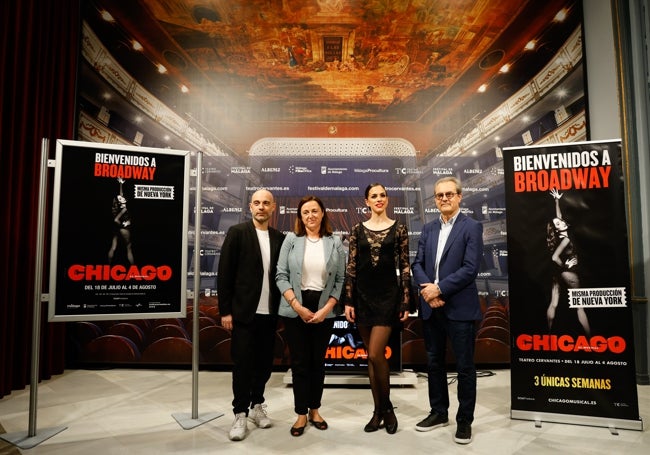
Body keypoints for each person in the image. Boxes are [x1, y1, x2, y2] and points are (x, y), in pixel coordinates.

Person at [411, 176, 483, 444]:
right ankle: (439, 412)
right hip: (431, 307)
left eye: (449, 194)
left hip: (459, 308)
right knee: (434, 363)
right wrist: (428, 291)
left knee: (465, 367)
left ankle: (464, 421)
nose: (444, 199)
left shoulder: (471, 227)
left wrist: (438, 289)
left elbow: (470, 268)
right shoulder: (428, 229)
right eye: (439, 195)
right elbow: (417, 263)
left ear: (459, 196)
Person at [217, 189, 286, 441]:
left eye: (266, 203)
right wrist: (225, 310)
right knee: (243, 365)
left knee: (264, 365)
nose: (261, 207)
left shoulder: (279, 238)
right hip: (243, 313)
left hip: (270, 314)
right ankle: (240, 414)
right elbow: (224, 273)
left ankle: (258, 406)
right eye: (257, 203)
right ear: (250, 206)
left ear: (273, 207)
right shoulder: (237, 233)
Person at [343, 183, 411, 434]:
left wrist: (405, 300)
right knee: (372, 361)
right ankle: (378, 411)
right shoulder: (356, 230)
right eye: (374, 196)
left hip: (387, 298)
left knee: (374, 354)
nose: (379, 199)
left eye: (382, 195)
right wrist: (348, 301)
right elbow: (350, 268)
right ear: (366, 202)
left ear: (387, 199)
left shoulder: (399, 229)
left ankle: (387, 409)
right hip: (361, 298)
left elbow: (405, 267)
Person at [276, 195, 346, 437]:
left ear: (323, 213)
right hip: (296, 307)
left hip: (324, 307)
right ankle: (300, 414)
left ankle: (315, 410)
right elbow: (280, 275)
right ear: (300, 217)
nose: (310, 216)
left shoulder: (335, 242)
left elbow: (340, 280)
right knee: (299, 363)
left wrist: (326, 309)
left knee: (317, 362)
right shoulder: (291, 240)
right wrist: (297, 306)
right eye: (305, 212)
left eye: (315, 211)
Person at [546, 188, 591, 335]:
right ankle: (589, 338)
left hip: (559, 274)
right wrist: (565, 266)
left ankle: (549, 333)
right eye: (558, 224)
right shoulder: (565, 239)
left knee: (554, 303)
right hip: (569, 273)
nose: (561, 221)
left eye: (560, 221)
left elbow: (558, 217)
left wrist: (557, 200)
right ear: (558, 230)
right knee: (580, 307)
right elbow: (554, 258)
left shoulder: (561, 233)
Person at [108, 177, 134, 264]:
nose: (121, 197)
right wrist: (123, 224)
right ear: (122, 201)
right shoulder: (124, 209)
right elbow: (116, 220)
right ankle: (133, 268)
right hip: (124, 229)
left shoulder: (119, 206)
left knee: (113, 247)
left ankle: (108, 266)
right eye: (120, 198)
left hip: (116, 229)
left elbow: (121, 194)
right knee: (128, 247)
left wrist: (121, 184)